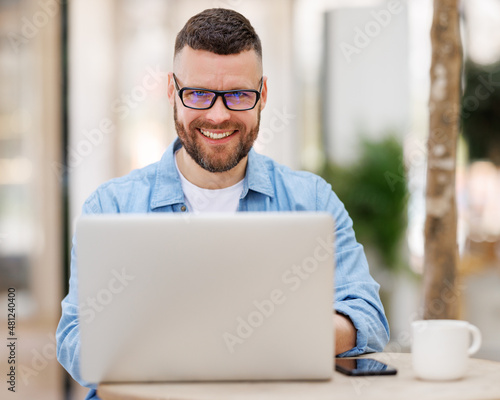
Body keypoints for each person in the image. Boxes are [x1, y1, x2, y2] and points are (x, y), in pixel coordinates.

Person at [56, 8, 389, 400]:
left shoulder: (313, 201)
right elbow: (74, 339)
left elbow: (368, 318)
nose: (218, 115)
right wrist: (214, 345)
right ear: (171, 93)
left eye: (238, 95)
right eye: (197, 93)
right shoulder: (111, 207)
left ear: (262, 95)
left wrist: (267, 336)